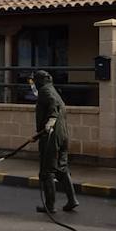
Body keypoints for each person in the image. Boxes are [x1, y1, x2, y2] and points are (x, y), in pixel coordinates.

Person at [31, 69, 78, 214]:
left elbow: (53, 107)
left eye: (34, 81)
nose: (33, 84)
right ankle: (72, 200)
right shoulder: (52, 89)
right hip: (62, 135)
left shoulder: (45, 91)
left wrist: (49, 124)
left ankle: (50, 205)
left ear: (39, 81)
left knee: (47, 171)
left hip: (52, 137)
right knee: (62, 168)